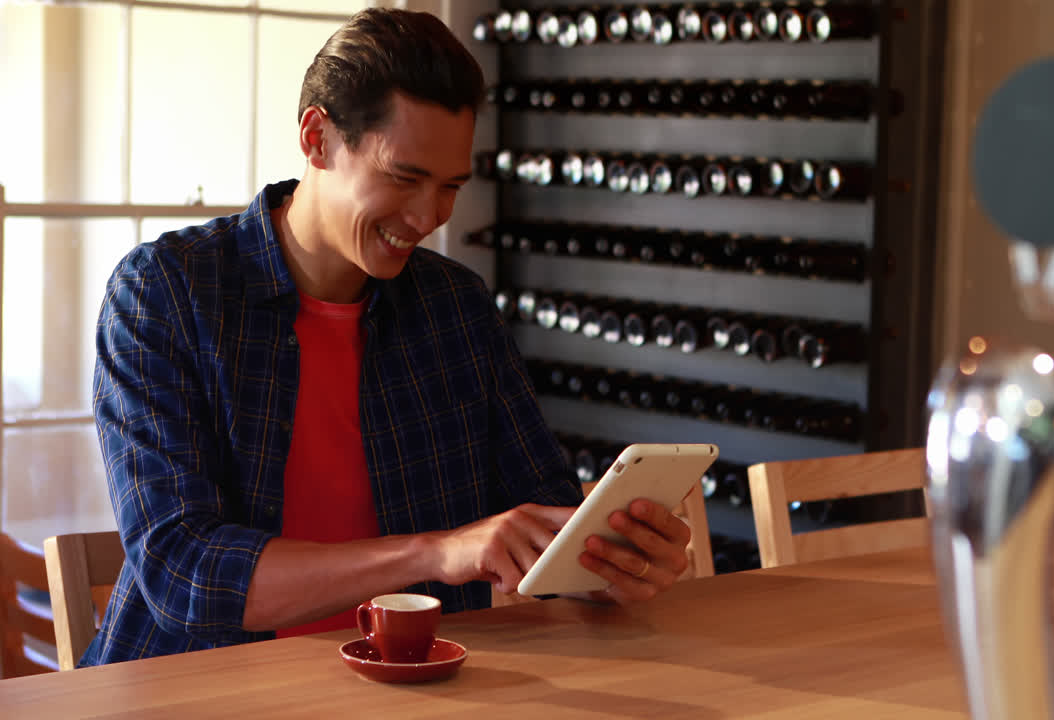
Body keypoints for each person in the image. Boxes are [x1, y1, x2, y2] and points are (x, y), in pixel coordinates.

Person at [82, 7, 691, 667]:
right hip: (199, 691)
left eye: (450, 186)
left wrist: (612, 562)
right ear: (318, 138)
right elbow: (184, 572)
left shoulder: (455, 307)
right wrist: (435, 550)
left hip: (416, 689)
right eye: (404, 177)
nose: (430, 216)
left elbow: (544, 525)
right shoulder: (166, 292)